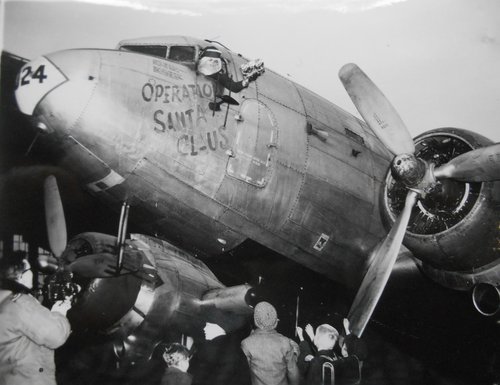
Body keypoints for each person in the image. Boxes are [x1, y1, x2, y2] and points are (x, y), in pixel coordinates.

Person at [0, 251, 71, 385]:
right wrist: (59, 313)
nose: (32, 273)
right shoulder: (20, 303)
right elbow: (56, 336)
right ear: (19, 275)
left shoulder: (4, 300)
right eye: (29, 270)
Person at [241, 301, 300, 385]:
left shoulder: (246, 343)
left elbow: (243, 374)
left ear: (255, 321)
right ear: (275, 322)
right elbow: (293, 371)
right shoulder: (285, 341)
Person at [197, 46, 263, 93]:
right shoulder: (195, 70)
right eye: (210, 60)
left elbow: (234, 87)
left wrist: (248, 80)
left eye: (216, 61)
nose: (213, 63)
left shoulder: (219, 76)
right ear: (203, 60)